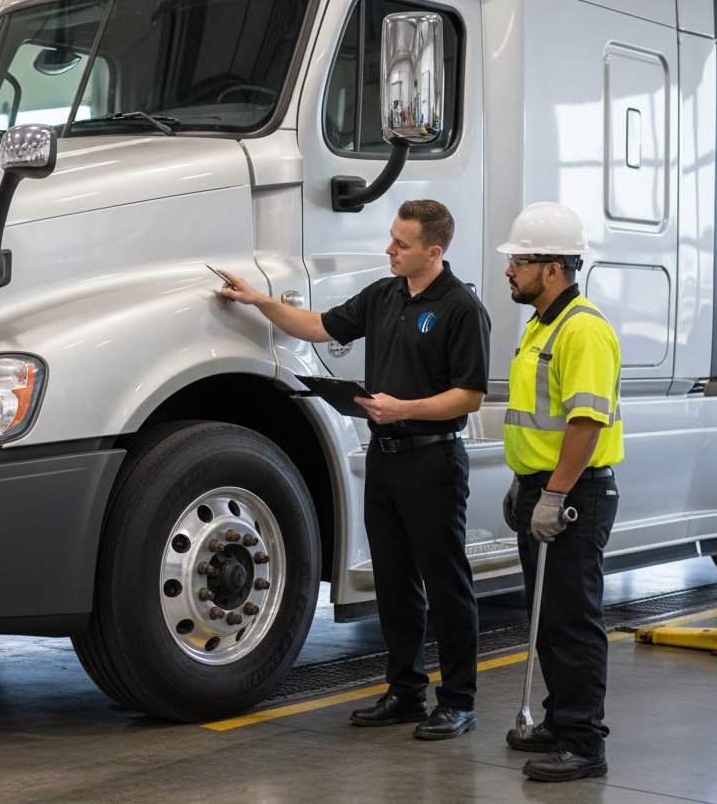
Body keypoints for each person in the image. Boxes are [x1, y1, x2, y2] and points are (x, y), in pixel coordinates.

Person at [217, 199, 490, 740]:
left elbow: (469, 396)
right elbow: (318, 327)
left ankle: (459, 701)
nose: (389, 250)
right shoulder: (384, 295)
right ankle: (405, 691)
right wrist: (258, 301)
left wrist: (404, 408)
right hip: (385, 459)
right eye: (391, 239)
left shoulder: (461, 308)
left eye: (402, 244)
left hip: (433, 460)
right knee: (394, 582)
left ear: (433, 252)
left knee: (446, 584)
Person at [498, 202, 624, 782]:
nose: (509, 270)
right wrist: (524, 482)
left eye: (519, 261)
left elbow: (585, 423)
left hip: (575, 495)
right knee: (548, 618)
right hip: (545, 488)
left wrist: (552, 495)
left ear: (553, 269)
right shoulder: (542, 325)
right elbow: (539, 421)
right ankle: (559, 719)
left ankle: (583, 742)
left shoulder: (583, 329)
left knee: (572, 620)